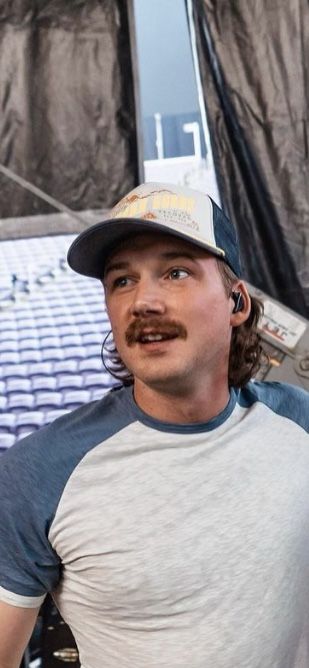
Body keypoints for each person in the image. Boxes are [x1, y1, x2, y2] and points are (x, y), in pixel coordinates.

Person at [0, 181, 308, 668]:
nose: (143, 301)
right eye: (121, 280)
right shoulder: (37, 473)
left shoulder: (299, 422)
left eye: (176, 272)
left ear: (237, 303)